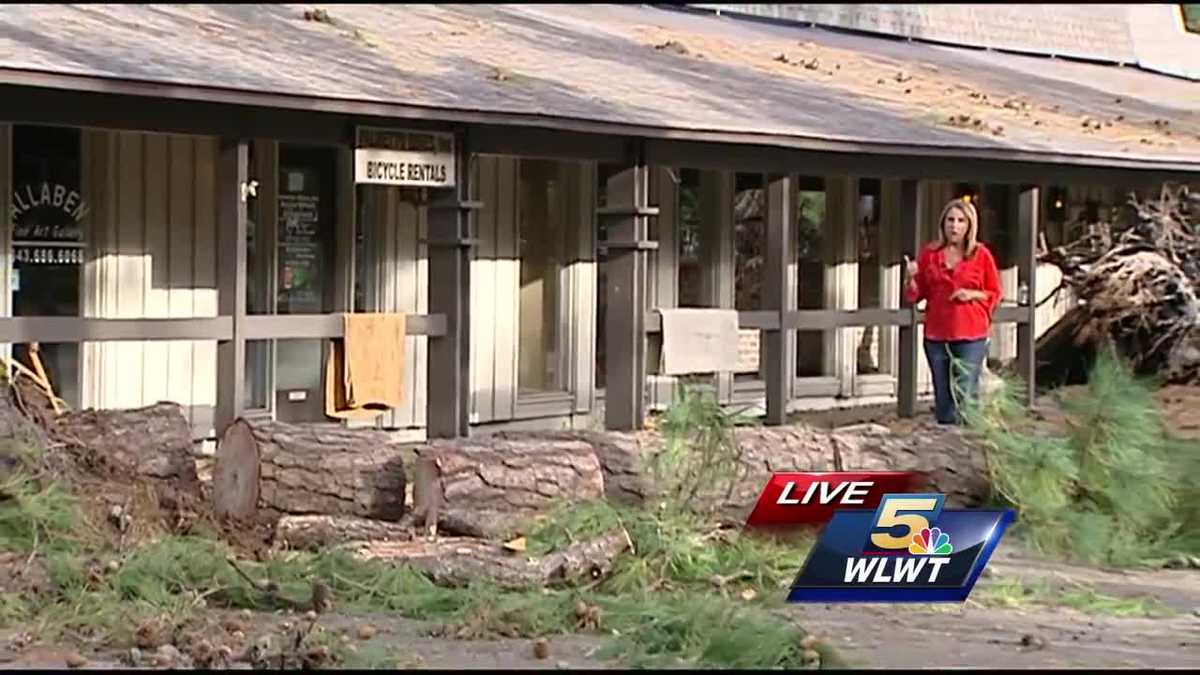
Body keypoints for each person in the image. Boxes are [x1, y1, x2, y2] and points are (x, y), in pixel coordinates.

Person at [903, 198, 1002, 425]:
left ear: (969, 226)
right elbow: (917, 294)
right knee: (943, 399)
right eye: (950, 220)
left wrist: (972, 294)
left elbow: (995, 292)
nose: (954, 226)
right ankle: (945, 450)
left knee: (965, 394)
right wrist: (910, 278)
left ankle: (968, 447)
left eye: (960, 221)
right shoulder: (930, 254)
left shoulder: (981, 254)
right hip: (936, 335)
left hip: (970, 334)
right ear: (943, 224)